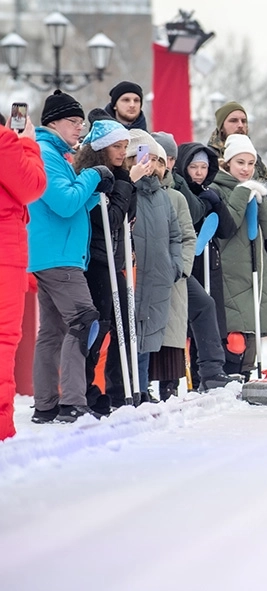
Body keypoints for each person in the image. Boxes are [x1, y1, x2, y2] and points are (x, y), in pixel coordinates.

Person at [28, 90, 111, 423]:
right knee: (84, 322)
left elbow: (70, 207)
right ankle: (72, 402)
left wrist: (93, 193)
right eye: (73, 122)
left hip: (54, 253)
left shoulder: (57, 153)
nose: (79, 128)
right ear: (53, 122)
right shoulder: (46, 153)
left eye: (80, 122)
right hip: (59, 256)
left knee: (52, 331)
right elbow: (63, 202)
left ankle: (46, 404)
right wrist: (94, 176)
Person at [73, 119, 144, 412]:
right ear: (102, 148)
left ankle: (121, 388)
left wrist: (128, 185)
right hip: (95, 261)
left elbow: (128, 219)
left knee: (123, 325)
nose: (122, 151)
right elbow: (109, 220)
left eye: (125, 146)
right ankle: (87, 388)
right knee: (99, 326)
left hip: (114, 259)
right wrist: (128, 183)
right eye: (117, 145)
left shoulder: (120, 176)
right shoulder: (94, 176)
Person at [213, 134, 267, 378]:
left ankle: (247, 374)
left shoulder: (253, 189)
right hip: (231, 269)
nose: (246, 169)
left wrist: (260, 198)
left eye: (250, 163)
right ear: (228, 163)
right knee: (236, 331)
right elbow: (226, 225)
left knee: (252, 328)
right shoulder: (216, 188)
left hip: (255, 267)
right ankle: (231, 374)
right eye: (240, 162)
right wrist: (243, 192)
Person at [173, 141, 239, 391]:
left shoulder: (211, 192)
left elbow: (227, 230)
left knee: (209, 317)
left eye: (203, 167)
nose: (199, 172)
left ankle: (209, 371)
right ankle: (189, 376)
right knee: (187, 321)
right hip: (189, 263)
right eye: (193, 166)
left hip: (210, 264)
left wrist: (218, 205)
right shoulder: (179, 193)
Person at [125, 131, 184, 401]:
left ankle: (142, 385)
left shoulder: (163, 196)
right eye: (145, 158)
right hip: (133, 273)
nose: (153, 166)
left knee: (149, 331)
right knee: (130, 332)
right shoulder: (126, 190)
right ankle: (130, 387)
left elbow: (175, 235)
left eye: (158, 160)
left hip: (158, 273)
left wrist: (174, 265)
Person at [0, 113, 46, 439]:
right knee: (3, 340)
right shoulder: (5, 141)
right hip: (4, 254)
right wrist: (27, 143)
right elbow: (32, 185)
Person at [207, 101, 267, 180]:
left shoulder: (254, 156)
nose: (240, 125)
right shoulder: (209, 156)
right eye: (233, 120)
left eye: (243, 121)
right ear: (221, 127)